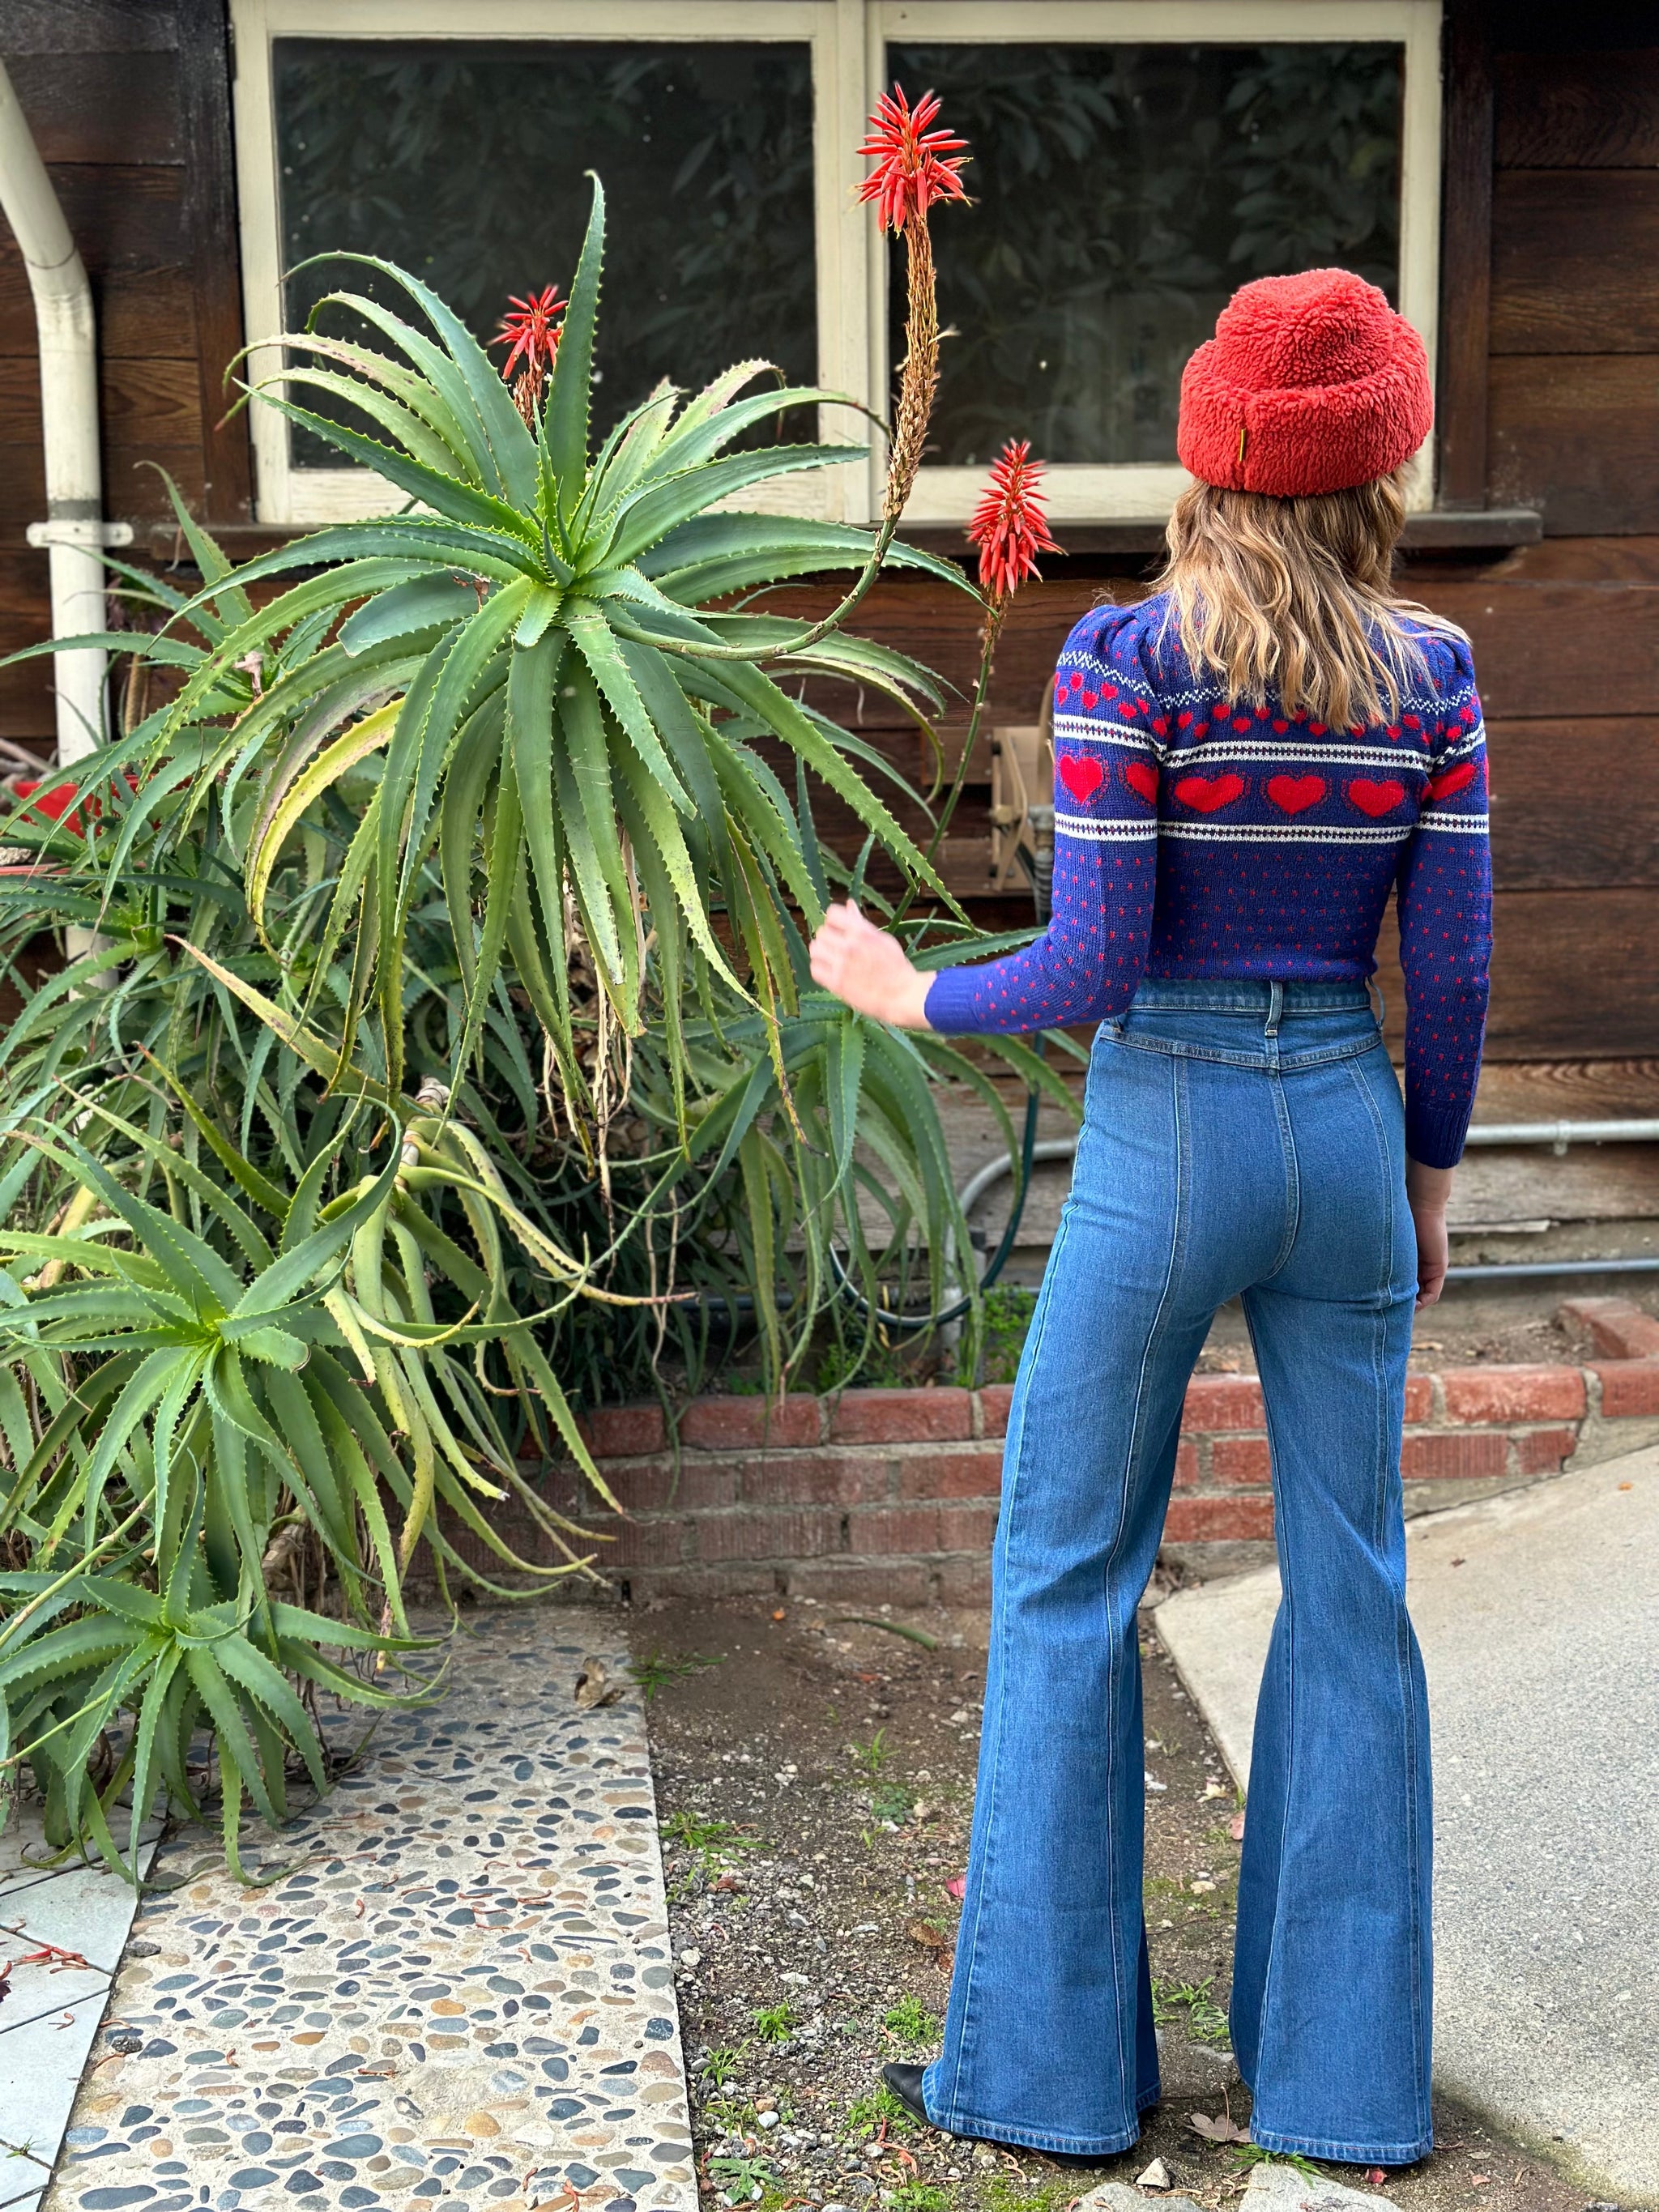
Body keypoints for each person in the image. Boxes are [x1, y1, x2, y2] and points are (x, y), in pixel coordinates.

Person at [808, 268, 1491, 2167]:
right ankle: (1343, 2092)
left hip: (1165, 1132)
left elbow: (1094, 960)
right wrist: (1425, 1180)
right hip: (1343, 1135)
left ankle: (1046, 2080)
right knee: (1351, 1587)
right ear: (1378, 470)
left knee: (1065, 1571)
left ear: (1209, 455)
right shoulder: (1430, 678)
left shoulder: (1125, 662)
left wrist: (909, 993)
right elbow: (1451, 962)